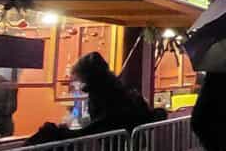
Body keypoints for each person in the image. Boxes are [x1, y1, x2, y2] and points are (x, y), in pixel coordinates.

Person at [26, 52, 160, 145]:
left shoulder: (101, 93)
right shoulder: (116, 87)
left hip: (116, 143)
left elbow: (105, 120)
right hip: (129, 140)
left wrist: (77, 132)